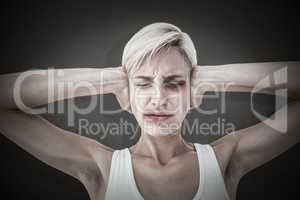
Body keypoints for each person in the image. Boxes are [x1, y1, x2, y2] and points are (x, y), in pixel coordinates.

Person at [0, 22, 299, 200]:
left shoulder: (225, 160)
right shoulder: (98, 166)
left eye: (174, 83)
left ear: (193, 92)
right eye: (143, 84)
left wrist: (215, 77)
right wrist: (111, 79)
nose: (158, 99)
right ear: (126, 94)